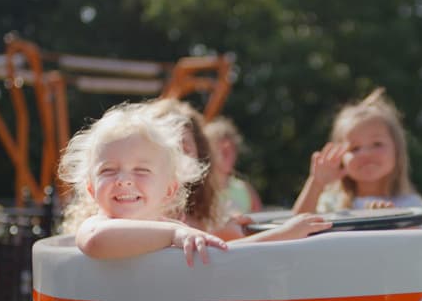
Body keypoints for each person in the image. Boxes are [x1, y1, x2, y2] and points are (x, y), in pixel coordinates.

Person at [57, 102, 228, 266]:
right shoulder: (96, 225)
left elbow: (208, 253)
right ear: (91, 189)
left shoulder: (171, 228)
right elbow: (95, 241)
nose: (124, 180)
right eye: (108, 170)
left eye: (141, 170)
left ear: (169, 190)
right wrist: (172, 234)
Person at [145, 99, 332, 241]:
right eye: (166, 148)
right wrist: (283, 234)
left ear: (199, 156)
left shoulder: (206, 216)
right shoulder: (143, 219)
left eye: (183, 148)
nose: (173, 157)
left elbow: (295, 230)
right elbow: (206, 257)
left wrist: (316, 184)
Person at [292, 87, 422, 214]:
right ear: (341, 158)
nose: (365, 154)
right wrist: (317, 183)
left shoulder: (411, 205)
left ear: (397, 150)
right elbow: (297, 224)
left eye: (377, 144)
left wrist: (391, 221)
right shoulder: (332, 203)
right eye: (354, 148)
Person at [204, 116, 263, 216]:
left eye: (232, 149)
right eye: (222, 150)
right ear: (208, 152)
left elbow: (259, 220)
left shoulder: (246, 190)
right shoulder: (200, 192)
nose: (229, 155)